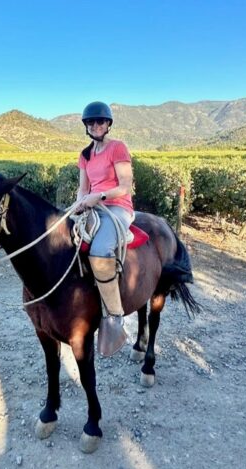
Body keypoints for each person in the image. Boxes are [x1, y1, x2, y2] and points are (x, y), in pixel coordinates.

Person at [76, 101, 134, 357]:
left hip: (117, 207)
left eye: (100, 121)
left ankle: (115, 316)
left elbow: (125, 186)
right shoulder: (85, 154)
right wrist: (79, 204)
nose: (96, 125)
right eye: (91, 122)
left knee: (99, 251)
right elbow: (82, 188)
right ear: (86, 126)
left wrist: (97, 197)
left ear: (108, 124)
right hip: (91, 206)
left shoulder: (118, 147)